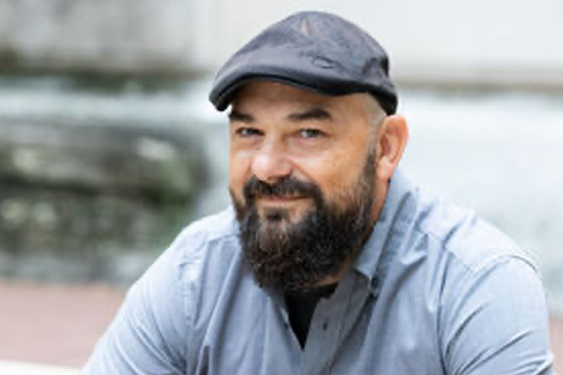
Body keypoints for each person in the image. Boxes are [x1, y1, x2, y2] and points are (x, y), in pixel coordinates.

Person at [82, 11, 555, 375]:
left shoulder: (477, 284)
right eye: (249, 132)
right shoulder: (193, 275)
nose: (267, 167)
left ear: (386, 148)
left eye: (308, 132)